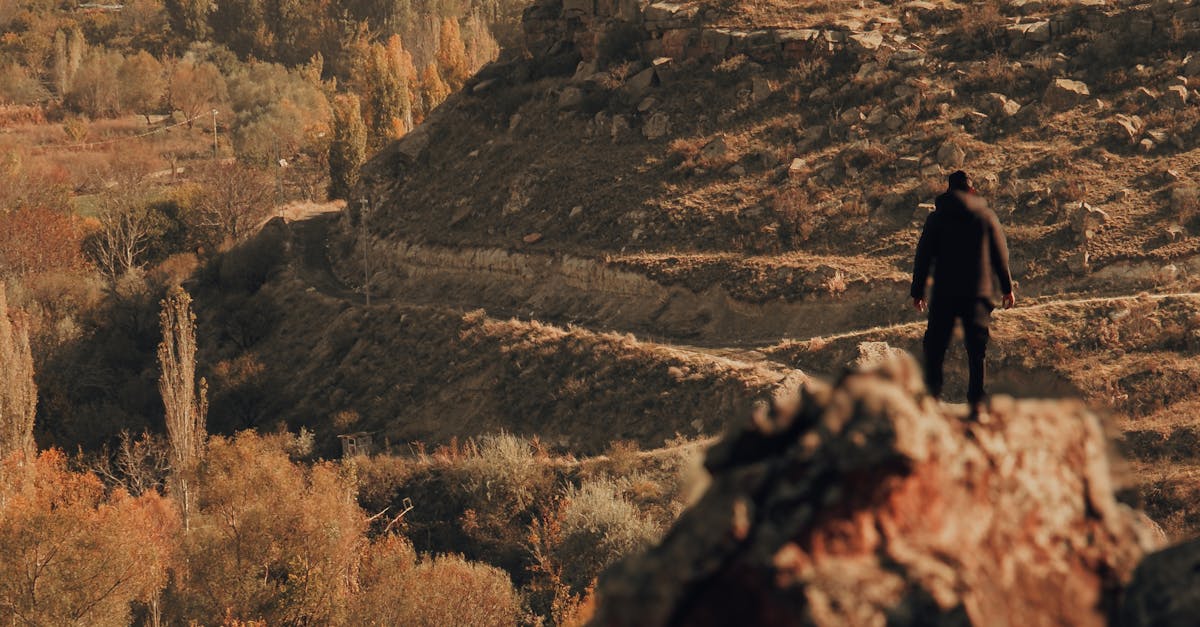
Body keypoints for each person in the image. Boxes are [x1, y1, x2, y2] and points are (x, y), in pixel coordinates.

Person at [911, 170, 1015, 419]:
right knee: (977, 350)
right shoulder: (985, 216)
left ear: (948, 190)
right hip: (977, 293)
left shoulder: (936, 219)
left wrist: (918, 292)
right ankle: (976, 404)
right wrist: (1007, 287)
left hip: (945, 292)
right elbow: (1000, 254)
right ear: (972, 191)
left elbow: (923, 256)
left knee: (935, 347)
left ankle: (931, 398)